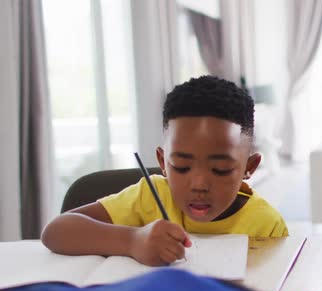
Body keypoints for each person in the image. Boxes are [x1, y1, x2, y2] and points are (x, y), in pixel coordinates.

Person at [42, 76, 288, 265]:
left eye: (220, 169)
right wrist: (132, 241)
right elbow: (55, 231)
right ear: (162, 161)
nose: (199, 184)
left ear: (249, 167)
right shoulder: (150, 196)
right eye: (181, 166)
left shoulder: (266, 225)